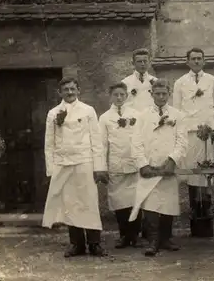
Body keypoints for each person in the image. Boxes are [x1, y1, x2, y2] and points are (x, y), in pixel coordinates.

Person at [42, 77, 108, 257]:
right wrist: (51, 169)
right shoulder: (53, 113)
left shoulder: (88, 111)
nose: (69, 92)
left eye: (72, 89)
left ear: (78, 90)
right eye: (66, 90)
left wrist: (99, 167)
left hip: (85, 162)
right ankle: (76, 244)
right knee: (70, 204)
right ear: (60, 92)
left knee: (89, 202)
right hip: (63, 164)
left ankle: (94, 243)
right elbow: (49, 143)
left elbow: (96, 140)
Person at [129, 79, 188, 256]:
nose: (161, 97)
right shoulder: (142, 116)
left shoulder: (178, 115)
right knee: (151, 204)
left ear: (169, 94)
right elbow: (136, 142)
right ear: (151, 94)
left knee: (168, 204)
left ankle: (166, 238)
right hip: (150, 166)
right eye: (157, 93)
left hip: (167, 166)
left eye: (164, 93)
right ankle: (152, 240)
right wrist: (143, 164)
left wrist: (172, 160)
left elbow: (182, 141)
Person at [172, 47, 214, 238]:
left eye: (199, 58)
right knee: (192, 173)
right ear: (187, 61)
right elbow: (176, 111)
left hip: (207, 133)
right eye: (192, 58)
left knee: (207, 171)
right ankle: (195, 214)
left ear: (204, 61)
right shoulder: (179, 83)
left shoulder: (213, 81)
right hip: (189, 133)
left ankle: (206, 214)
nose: (196, 61)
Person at [99, 82, 142, 249]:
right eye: (115, 95)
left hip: (133, 163)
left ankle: (135, 235)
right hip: (115, 164)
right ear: (110, 96)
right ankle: (124, 235)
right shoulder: (104, 118)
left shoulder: (135, 114)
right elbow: (102, 145)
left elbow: (140, 140)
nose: (119, 98)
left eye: (122, 95)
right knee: (118, 202)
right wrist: (102, 166)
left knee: (135, 200)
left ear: (126, 96)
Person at [121, 48, 158, 239]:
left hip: (151, 133)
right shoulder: (126, 83)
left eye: (145, 61)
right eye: (139, 61)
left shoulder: (155, 82)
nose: (142, 64)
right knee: (135, 182)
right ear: (133, 63)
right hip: (134, 132)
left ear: (149, 62)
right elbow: (123, 106)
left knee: (150, 179)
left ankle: (149, 228)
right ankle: (133, 228)